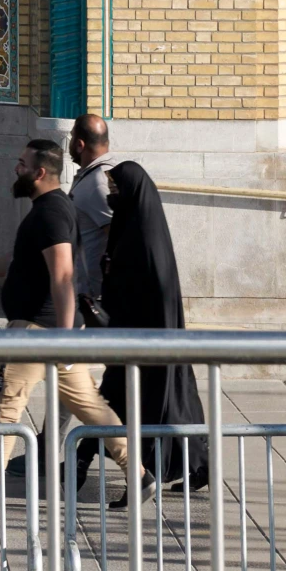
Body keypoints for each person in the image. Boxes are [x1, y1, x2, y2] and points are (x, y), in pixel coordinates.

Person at [0, 138, 125, 504]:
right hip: (52, 332)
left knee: (2, 408)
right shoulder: (51, 209)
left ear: (40, 172)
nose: (16, 169)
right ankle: (139, 473)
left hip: (35, 333)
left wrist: (62, 339)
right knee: (92, 408)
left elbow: (62, 276)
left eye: (22, 164)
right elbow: (20, 261)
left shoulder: (50, 213)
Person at [95, 160, 209, 499]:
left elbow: (151, 287)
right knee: (134, 402)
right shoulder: (131, 223)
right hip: (131, 336)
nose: (111, 195)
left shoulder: (144, 233)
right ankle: (196, 466)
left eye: (116, 189)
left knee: (136, 404)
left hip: (146, 338)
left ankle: (139, 477)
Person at [68, 114, 119, 325]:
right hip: (84, 294)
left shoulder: (99, 182)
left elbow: (117, 237)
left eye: (71, 138)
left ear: (80, 145)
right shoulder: (96, 175)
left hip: (91, 301)